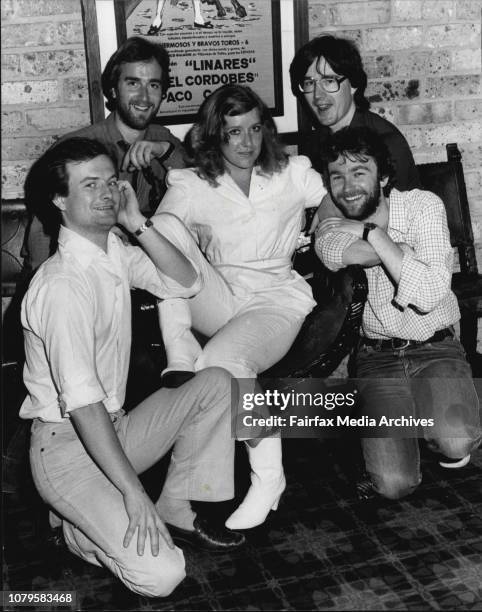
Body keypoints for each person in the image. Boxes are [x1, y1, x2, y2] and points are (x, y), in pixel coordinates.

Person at [20, 137, 245, 597]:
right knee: (161, 576)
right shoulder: (62, 285)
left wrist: (136, 222)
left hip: (115, 430)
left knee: (219, 383)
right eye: (90, 185)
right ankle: (75, 530)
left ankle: (177, 504)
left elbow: (185, 281)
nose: (106, 193)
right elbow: (83, 406)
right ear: (60, 200)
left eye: (110, 181)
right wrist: (134, 494)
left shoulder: (113, 252)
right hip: (66, 451)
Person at [152, 84, 328, 529]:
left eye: (254, 129)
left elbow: (338, 200)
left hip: (275, 298)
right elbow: (159, 238)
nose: (247, 143)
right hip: (220, 294)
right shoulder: (192, 183)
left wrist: (322, 230)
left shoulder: (291, 172)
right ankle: (179, 351)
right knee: (165, 227)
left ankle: (268, 477)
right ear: (215, 135)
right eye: (234, 132)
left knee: (222, 361)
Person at [315, 126, 481, 500]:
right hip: (377, 359)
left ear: (384, 176)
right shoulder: (332, 224)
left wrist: (372, 233)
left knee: (456, 439)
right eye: (337, 177)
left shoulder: (424, 205)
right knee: (392, 485)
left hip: (436, 347)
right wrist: (400, 247)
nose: (347, 186)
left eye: (360, 172)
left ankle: (432, 418)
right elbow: (331, 252)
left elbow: (427, 295)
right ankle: (407, 418)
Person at [24, 36, 184, 271]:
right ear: (113, 90)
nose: (144, 97)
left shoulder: (164, 139)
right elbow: (42, 230)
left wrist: (165, 150)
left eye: (153, 85)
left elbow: (202, 179)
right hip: (84, 274)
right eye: (133, 83)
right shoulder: (79, 147)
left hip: (145, 273)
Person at [290, 34, 420, 191]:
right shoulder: (315, 142)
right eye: (309, 83)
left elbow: (397, 213)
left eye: (329, 81)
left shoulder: (387, 144)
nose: (318, 95)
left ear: (353, 84)